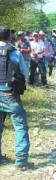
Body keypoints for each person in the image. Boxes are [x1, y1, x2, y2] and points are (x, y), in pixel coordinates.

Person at [0, 25, 31, 170]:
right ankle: (21, 160)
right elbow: (24, 73)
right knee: (20, 126)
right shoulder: (15, 53)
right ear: (9, 37)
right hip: (9, 94)